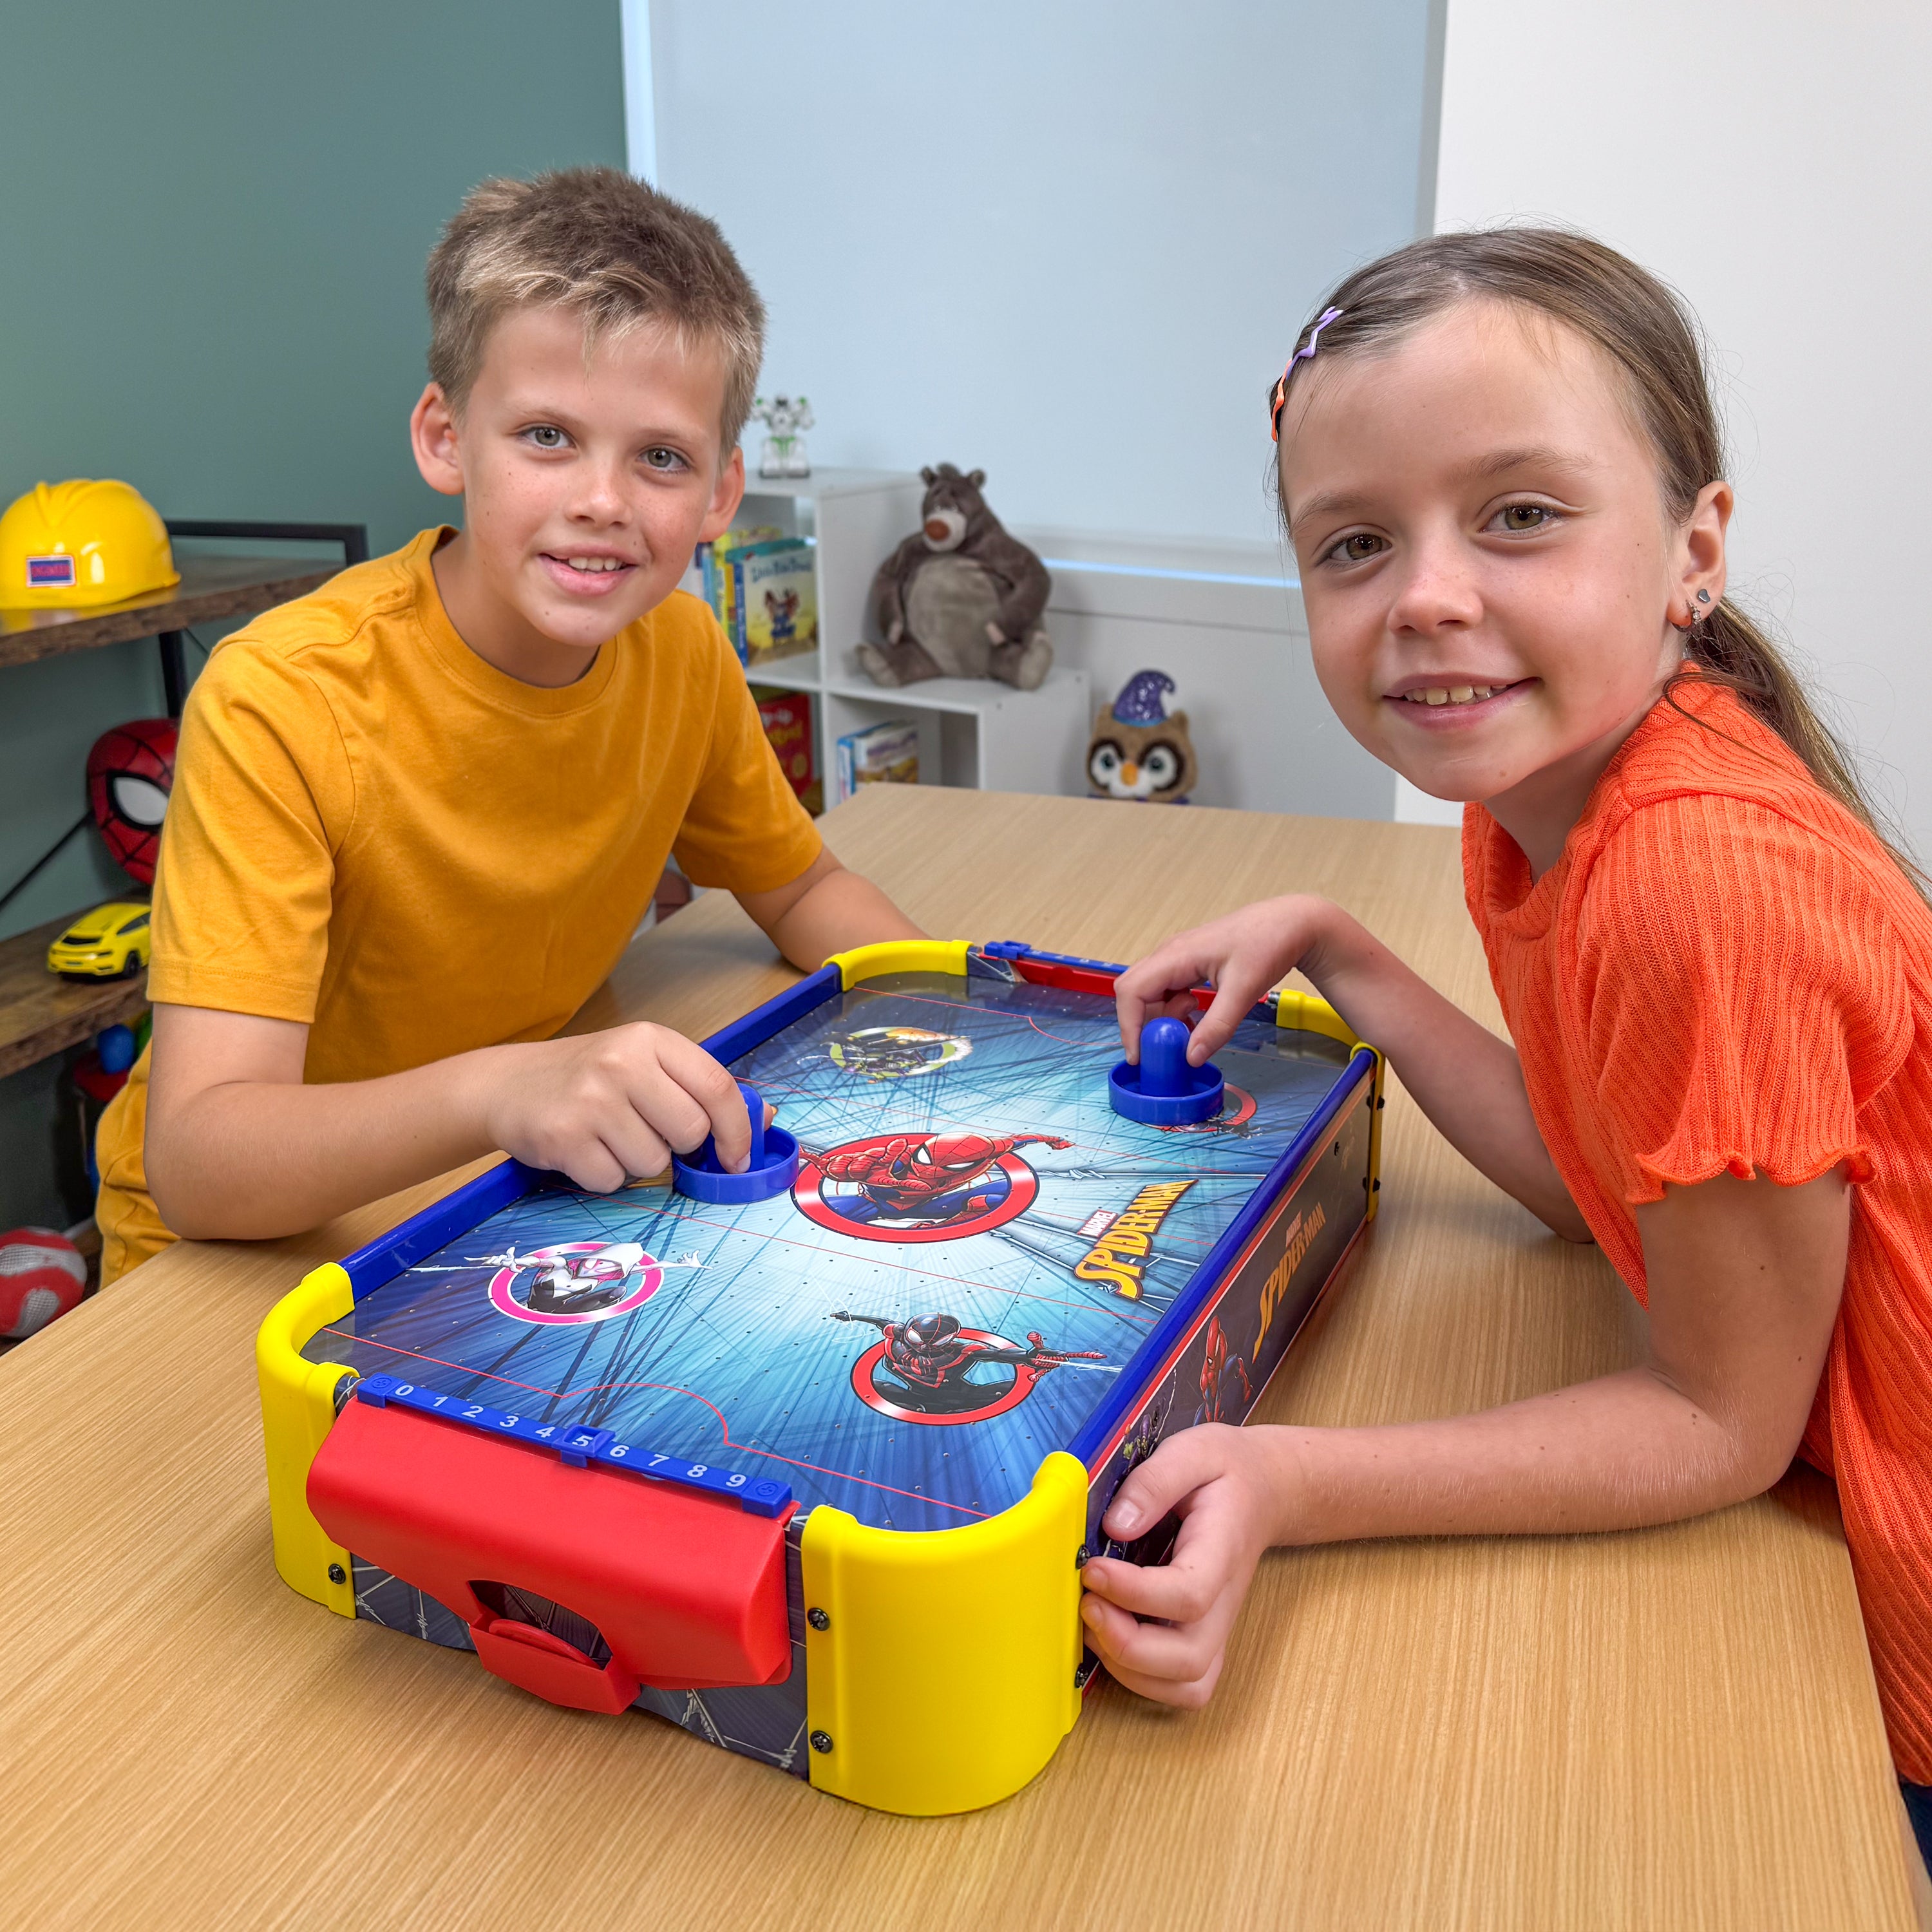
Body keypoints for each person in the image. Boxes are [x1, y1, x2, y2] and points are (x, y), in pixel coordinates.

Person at [1081, 229, 1932, 1850]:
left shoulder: (1695, 881)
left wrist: (1294, 1479)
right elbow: (1595, 1179)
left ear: (1695, 550)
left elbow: (1718, 1423)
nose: (1428, 597)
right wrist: (1347, 954)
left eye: (1521, 514)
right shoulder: (1547, 796)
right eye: (1353, 543)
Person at [95, 167, 921, 1285]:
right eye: (546, 435)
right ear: (446, 439)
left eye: (661, 457)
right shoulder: (279, 699)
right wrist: (500, 1088)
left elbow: (805, 888)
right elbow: (201, 1163)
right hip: (240, 1251)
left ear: (721, 495)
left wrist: (949, 1023)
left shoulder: (683, 652)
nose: (603, 501)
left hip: (498, 1193)